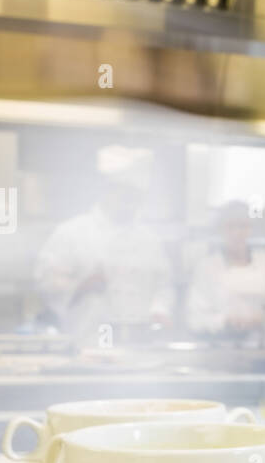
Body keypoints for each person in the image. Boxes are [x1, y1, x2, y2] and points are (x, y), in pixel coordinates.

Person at [34, 145, 174, 341]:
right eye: (123, 192)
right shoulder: (72, 232)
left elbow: (164, 285)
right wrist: (81, 285)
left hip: (140, 337)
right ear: (107, 190)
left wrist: (159, 310)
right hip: (90, 335)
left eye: (135, 195)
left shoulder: (149, 239)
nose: (129, 200)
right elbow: (46, 283)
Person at [185, 201, 265, 345]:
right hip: (218, 348)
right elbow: (195, 318)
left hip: (263, 349)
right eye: (231, 226)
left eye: (243, 226)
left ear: (251, 229)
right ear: (221, 230)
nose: (237, 233)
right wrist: (224, 320)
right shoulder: (206, 267)